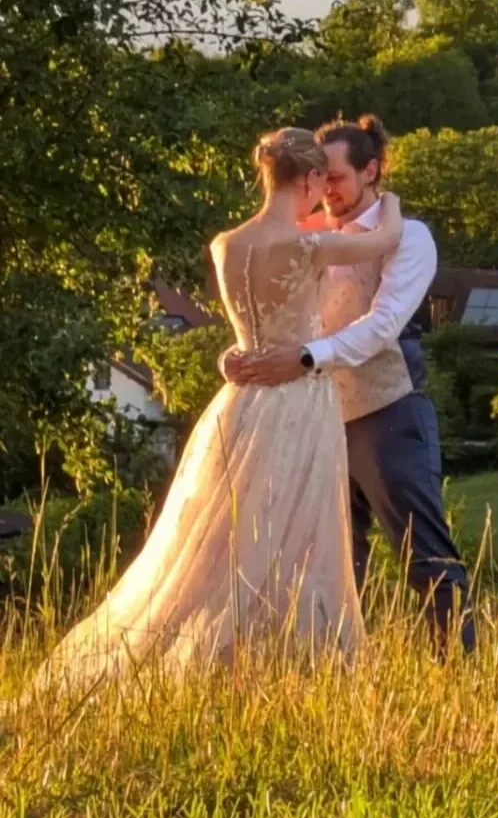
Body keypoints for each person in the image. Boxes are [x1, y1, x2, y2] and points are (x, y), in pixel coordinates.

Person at [33, 128, 403, 694]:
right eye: (318, 182)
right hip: (299, 399)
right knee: (299, 532)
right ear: (308, 179)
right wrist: (390, 197)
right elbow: (385, 240)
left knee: (228, 535)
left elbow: (247, 329)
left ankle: (233, 656)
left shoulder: (225, 244)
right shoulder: (309, 245)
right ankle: (290, 662)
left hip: (241, 401)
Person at [222, 116, 476, 659]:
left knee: (425, 556)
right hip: (311, 420)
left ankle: (460, 675)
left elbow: (384, 324)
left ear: (371, 171)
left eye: (335, 177)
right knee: (324, 565)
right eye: (320, 177)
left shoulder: (409, 236)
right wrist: (244, 355)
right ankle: (335, 681)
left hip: (388, 412)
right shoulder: (307, 235)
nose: (326, 189)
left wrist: (307, 358)